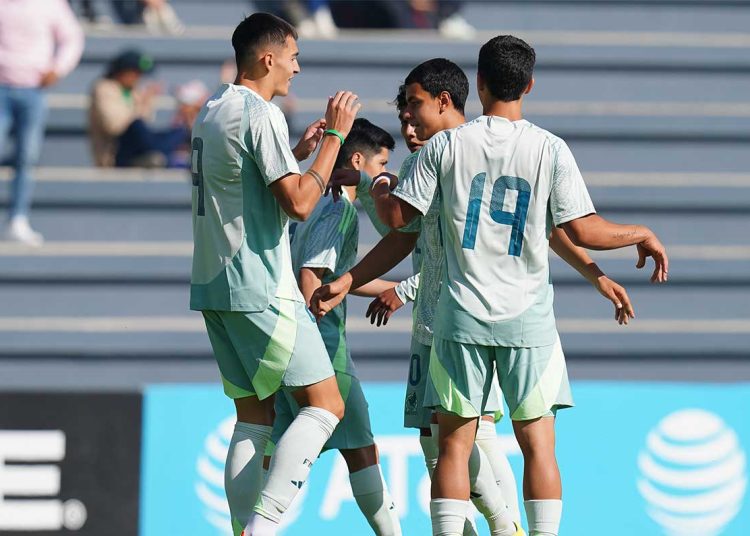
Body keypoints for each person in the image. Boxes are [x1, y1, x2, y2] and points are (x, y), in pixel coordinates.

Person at [333, 38, 666, 536]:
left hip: (460, 316)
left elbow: (401, 226)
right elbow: (581, 229)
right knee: (537, 445)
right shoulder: (549, 148)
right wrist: (637, 234)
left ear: (479, 83)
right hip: (527, 319)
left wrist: (348, 275)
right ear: (529, 86)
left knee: (453, 446)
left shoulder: (445, 147)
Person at [189, 13, 360, 536]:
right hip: (259, 284)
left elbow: (246, 184)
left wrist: (299, 153)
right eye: (293, 56)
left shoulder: (213, 108)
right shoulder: (259, 112)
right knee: (326, 404)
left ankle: (243, 528)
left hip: (213, 283)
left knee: (253, 416)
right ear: (268, 59)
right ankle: (263, 529)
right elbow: (302, 203)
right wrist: (333, 137)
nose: (297, 68)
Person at [266, 118, 402, 535]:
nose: (384, 173)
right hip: (323, 347)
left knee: (274, 449)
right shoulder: (339, 210)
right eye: (381, 162)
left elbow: (336, 275)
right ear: (358, 160)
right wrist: (316, 321)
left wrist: (401, 287)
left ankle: (250, 521)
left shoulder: (309, 203)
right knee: (362, 448)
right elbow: (314, 274)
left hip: (283, 335)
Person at [0, 0, 84, 246]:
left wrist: (57, 68)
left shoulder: (49, 4)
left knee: (27, 156)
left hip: (33, 90)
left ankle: (17, 218)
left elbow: (73, 37)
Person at [88, 49, 191, 168]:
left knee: (179, 131)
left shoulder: (133, 92)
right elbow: (114, 126)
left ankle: (166, 154)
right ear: (123, 71)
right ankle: (163, 154)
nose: (138, 78)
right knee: (139, 127)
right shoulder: (103, 89)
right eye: (136, 73)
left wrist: (145, 103)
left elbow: (144, 123)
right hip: (114, 155)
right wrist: (142, 104)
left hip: (136, 150)